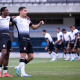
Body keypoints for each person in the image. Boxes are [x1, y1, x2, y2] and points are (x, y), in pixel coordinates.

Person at [12, 7, 44, 77]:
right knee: (23, 55)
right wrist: (10, 18)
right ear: (20, 12)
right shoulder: (16, 19)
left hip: (28, 40)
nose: (26, 12)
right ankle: (23, 73)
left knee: (31, 57)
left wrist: (40, 24)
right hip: (22, 39)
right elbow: (8, 24)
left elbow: (34, 27)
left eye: (26, 11)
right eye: (25, 11)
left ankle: (18, 67)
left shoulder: (27, 20)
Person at [0, 7, 13, 77]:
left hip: (8, 38)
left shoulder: (8, 18)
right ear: (2, 12)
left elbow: (14, 18)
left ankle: (5, 73)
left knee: (7, 55)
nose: (8, 11)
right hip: (2, 37)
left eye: (8, 10)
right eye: (6, 10)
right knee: (4, 52)